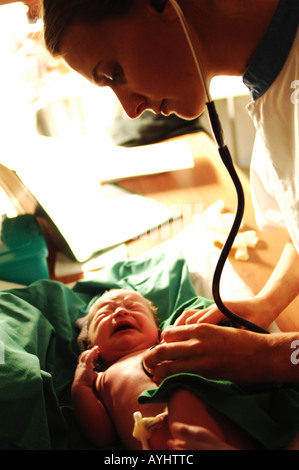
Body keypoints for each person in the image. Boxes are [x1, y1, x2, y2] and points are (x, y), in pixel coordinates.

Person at [41, 0, 299, 393]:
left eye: (114, 72)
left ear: (162, 6)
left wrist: (270, 356)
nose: (131, 109)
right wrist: (267, 303)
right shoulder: (274, 79)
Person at [72, 288, 259, 450]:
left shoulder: (168, 347)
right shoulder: (100, 379)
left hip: (220, 425)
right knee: (181, 395)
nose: (120, 311)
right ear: (91, 348)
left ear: (158, 331)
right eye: (105, 313)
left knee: (183, 393)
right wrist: (80, 385)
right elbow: (102, 436)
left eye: (132, 307)